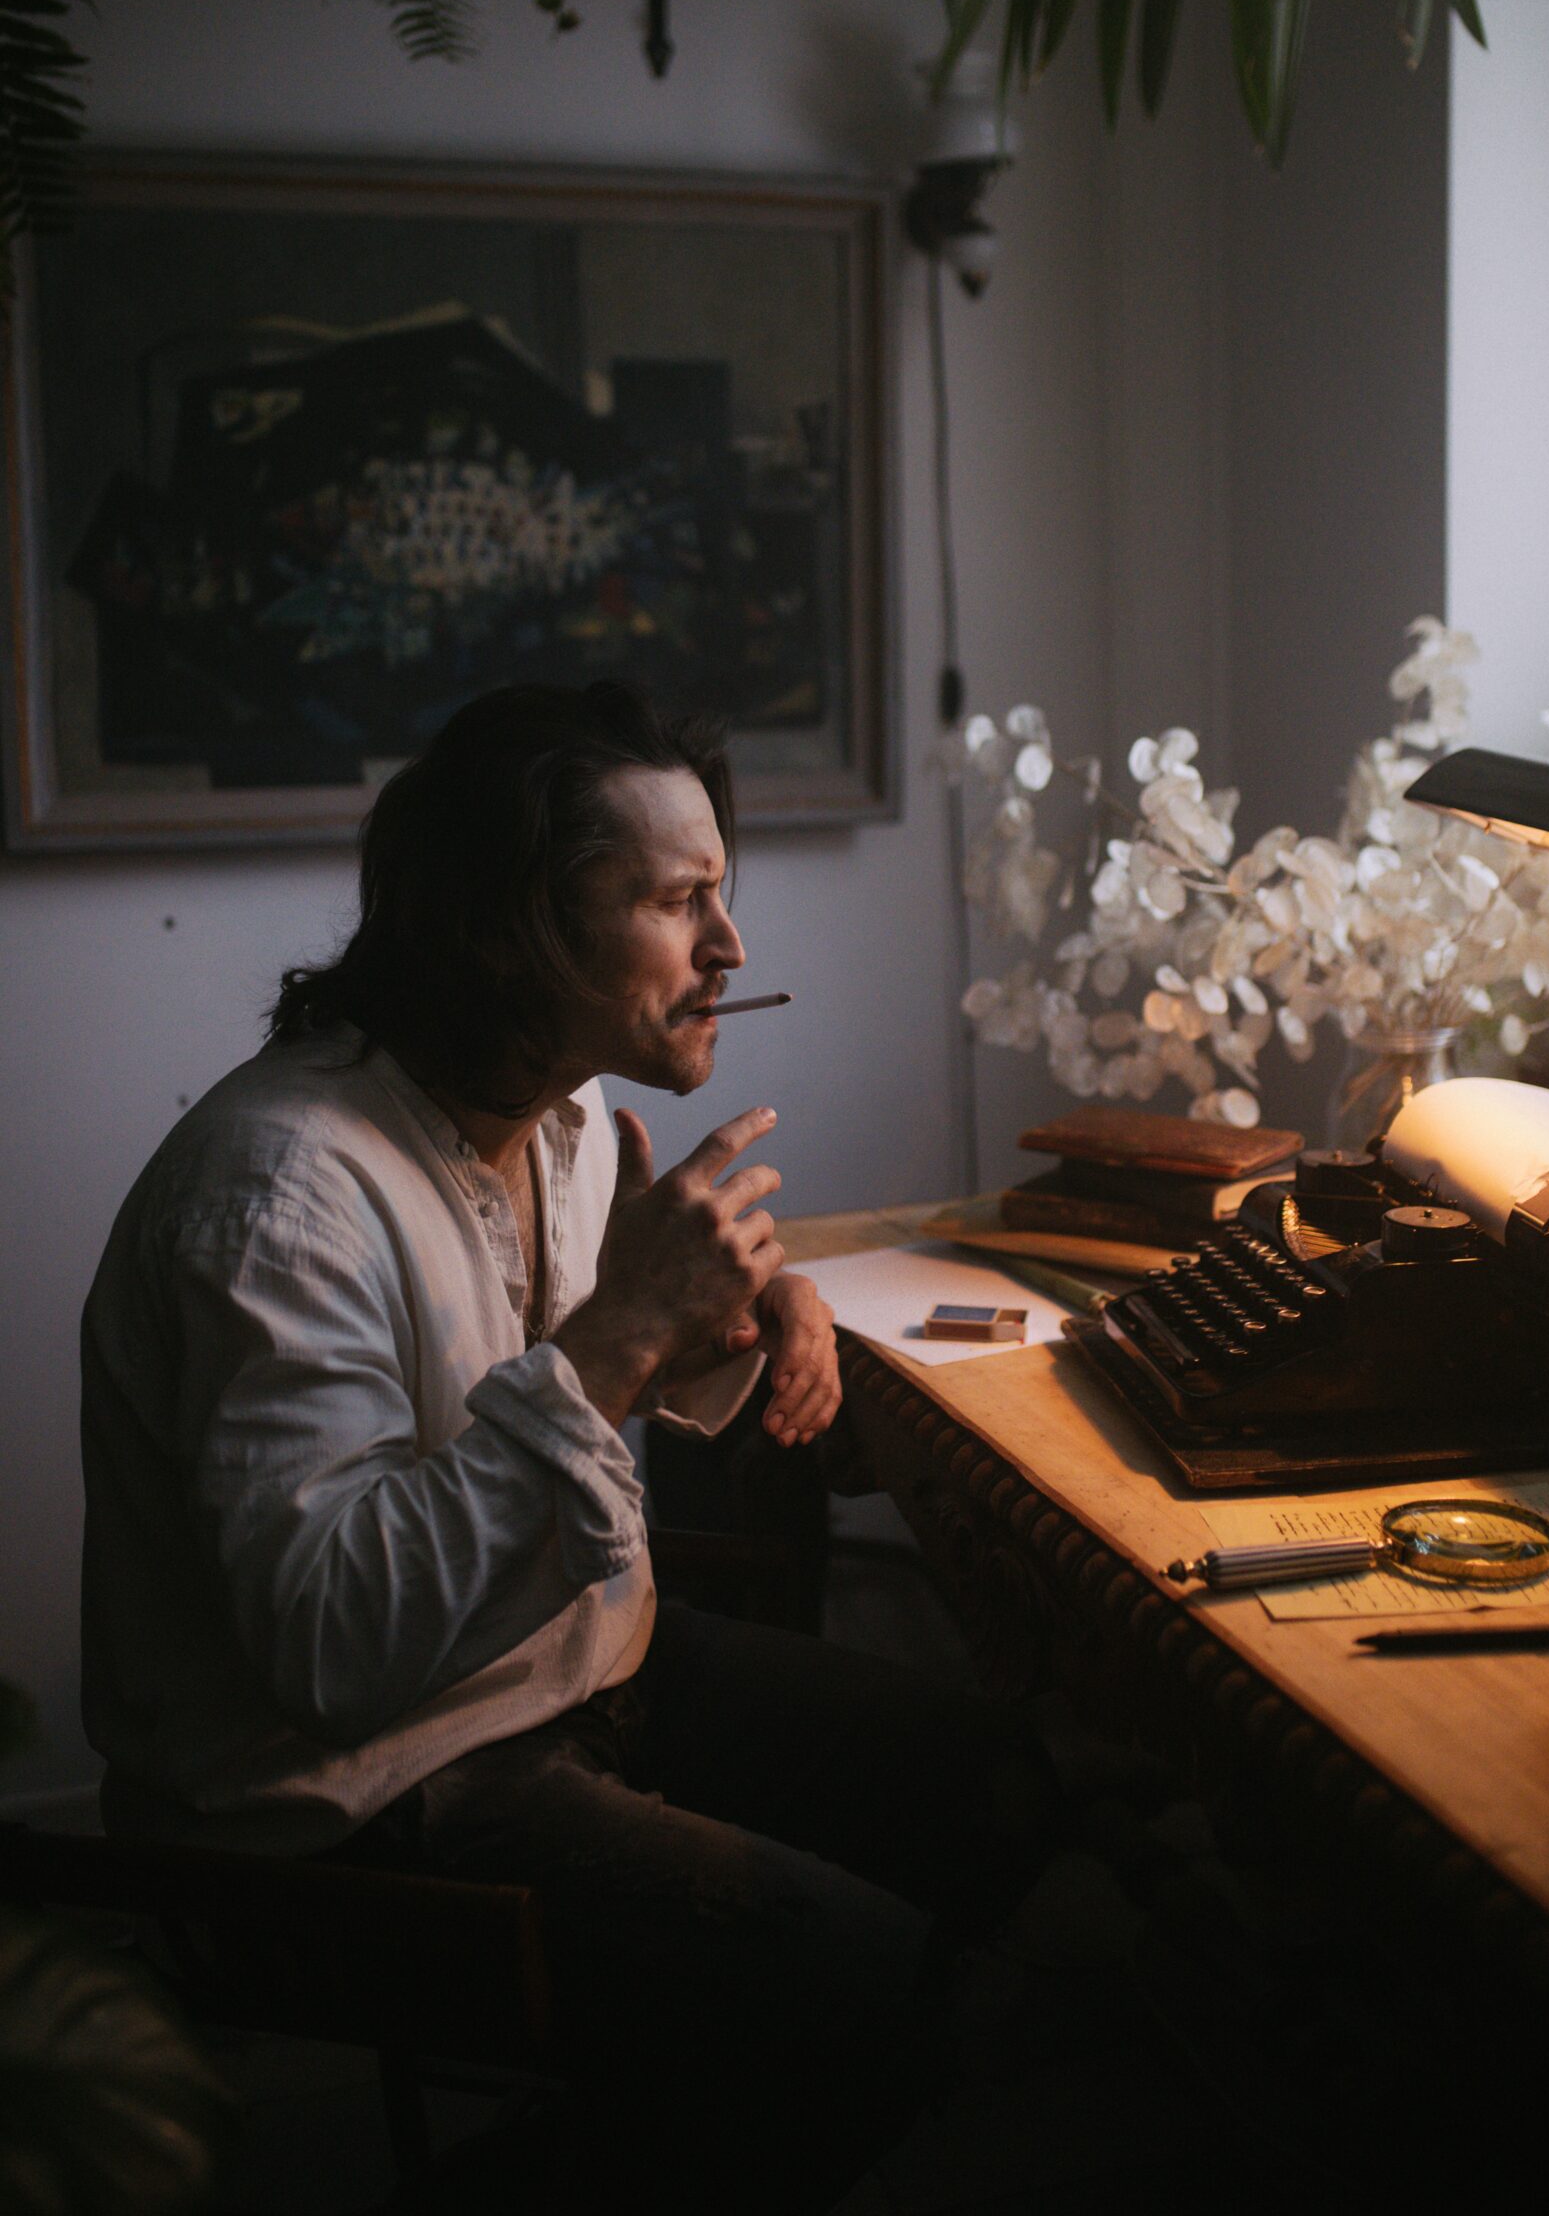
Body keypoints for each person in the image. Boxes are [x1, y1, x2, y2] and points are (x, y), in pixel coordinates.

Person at [81, 682, 1056, 2207]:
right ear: (508, 931)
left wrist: (755, 1297)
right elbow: (328, 1647)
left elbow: (593, 1328)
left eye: (720, 893)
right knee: (852, 1997)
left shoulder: (564, 1117)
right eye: (678, 901)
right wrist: (619, 1339)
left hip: (566, 1673)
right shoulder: (277, 1198)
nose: (729, 948)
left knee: (998, 1788)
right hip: (352, 1798)